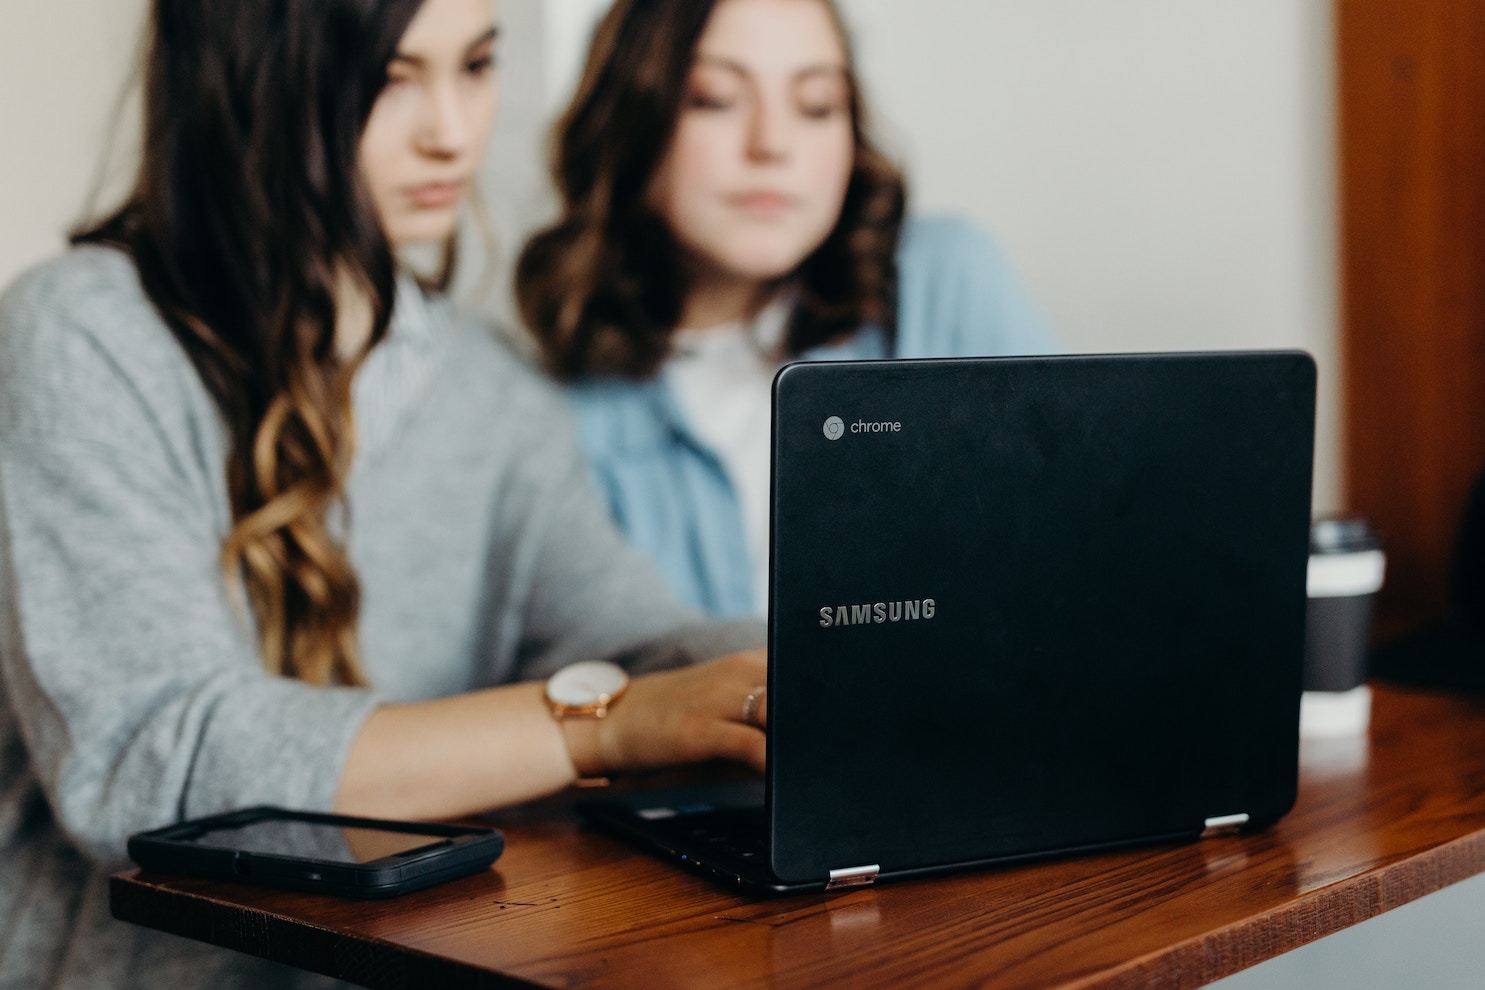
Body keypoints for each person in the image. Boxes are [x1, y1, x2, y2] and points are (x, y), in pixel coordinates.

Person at [0, 1, 772, 986]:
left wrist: (806, 671)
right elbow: (152, 763)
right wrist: (607, 728)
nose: (451, 129)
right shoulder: (82, 335)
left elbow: (633, 639)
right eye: (393, 78)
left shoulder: (493, 390)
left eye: (477, 65)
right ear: (252, 83)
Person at [516, 0, 1055, 619]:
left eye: (817, 105)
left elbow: (1068, 565)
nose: (771, 145)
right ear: (628, 121)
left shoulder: (945, 282)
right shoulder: (547, 409)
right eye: (714, 98)